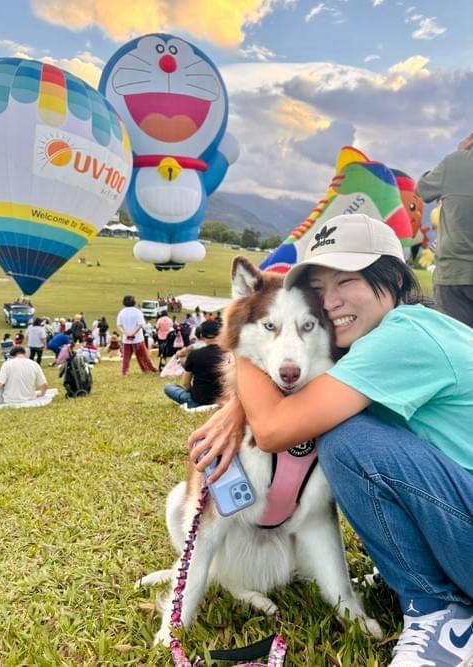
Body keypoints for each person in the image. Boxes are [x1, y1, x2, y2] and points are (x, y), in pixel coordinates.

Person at [189, 214, 473, 667]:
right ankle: (422, 575)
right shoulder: (384, 338)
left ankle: (442, 612)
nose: (331, 301)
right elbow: (296, 389)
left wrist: (241, 335)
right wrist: (239, 403)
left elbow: (274, 430)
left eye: (347, 281)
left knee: (348, 442)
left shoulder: (403, 336)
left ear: (396, 279)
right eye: (319, 289)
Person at [416, 133, 473, 327]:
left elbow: (422, 189)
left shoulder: (454, 163)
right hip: (453, 275)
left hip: (453, 274)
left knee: (455, 340)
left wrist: (460, 154)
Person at [164, 320, 225, 408]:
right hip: (223, 399)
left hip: (198, 400)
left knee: (168, 387)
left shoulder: (194, 355)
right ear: (221, 334)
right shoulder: (228, 354)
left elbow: (186, 385)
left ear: (201, 336)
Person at [116, 296, 157, 375]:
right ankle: (148, 369)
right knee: (143, 356)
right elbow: (140, 324)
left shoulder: (121, 312)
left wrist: (126, 333)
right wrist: (133, 333)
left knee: (126, 358)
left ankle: (124, 371)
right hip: (138, 338)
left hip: (126, 339)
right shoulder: (137, 312)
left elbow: (119, 325)